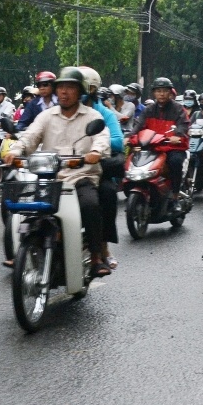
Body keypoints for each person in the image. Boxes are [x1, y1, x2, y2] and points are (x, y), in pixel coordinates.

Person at [4, 67, 112, 277]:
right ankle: (24, 249)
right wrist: (15, 150)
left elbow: (102, 138)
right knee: (25, 206)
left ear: (79, 91)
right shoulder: (46, 116)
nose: (64, 92)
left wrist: (96, 152)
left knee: (90, 205)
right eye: (61, 88)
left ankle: (97, 257)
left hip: (81, 177)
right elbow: (30, 137)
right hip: (49, 178)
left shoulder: (93, 116)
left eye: (70, 87)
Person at [79, 66, 124, 270]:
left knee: (106, 193)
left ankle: (102, 248)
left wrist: (93, 150)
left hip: (94, 167)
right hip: (63, 168)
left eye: (75, 87)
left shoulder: (104, 114)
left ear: (90, 89)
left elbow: (116, 141)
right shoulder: (55, 112)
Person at [133, 76, 190, 211]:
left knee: (175, 162)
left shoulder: (178, 109)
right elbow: (139, 125)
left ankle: (175, 197)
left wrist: (178, 136)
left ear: (170, 93)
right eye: (158, 91)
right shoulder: (149, 109)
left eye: (165, 91)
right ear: (154, 93)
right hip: (152, 147)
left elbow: (183, 125)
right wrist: (129, 136)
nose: (162, 94)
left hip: (172, 148)